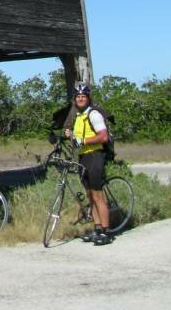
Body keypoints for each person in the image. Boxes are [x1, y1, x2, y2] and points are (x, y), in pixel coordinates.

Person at [65, 84, 112, 245]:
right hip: (83, 157)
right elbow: (77, 141)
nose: (80, 98)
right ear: (74, 99)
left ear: (88, 98)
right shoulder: (78, 117)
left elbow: (103, 136)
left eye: (83, 96)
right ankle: (97, 228)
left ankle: (106, 232)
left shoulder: (94, 115)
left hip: (94, 156)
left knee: (98, 195)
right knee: (90, 195)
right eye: (78, 96)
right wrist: (70, 135)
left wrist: (83, 140)